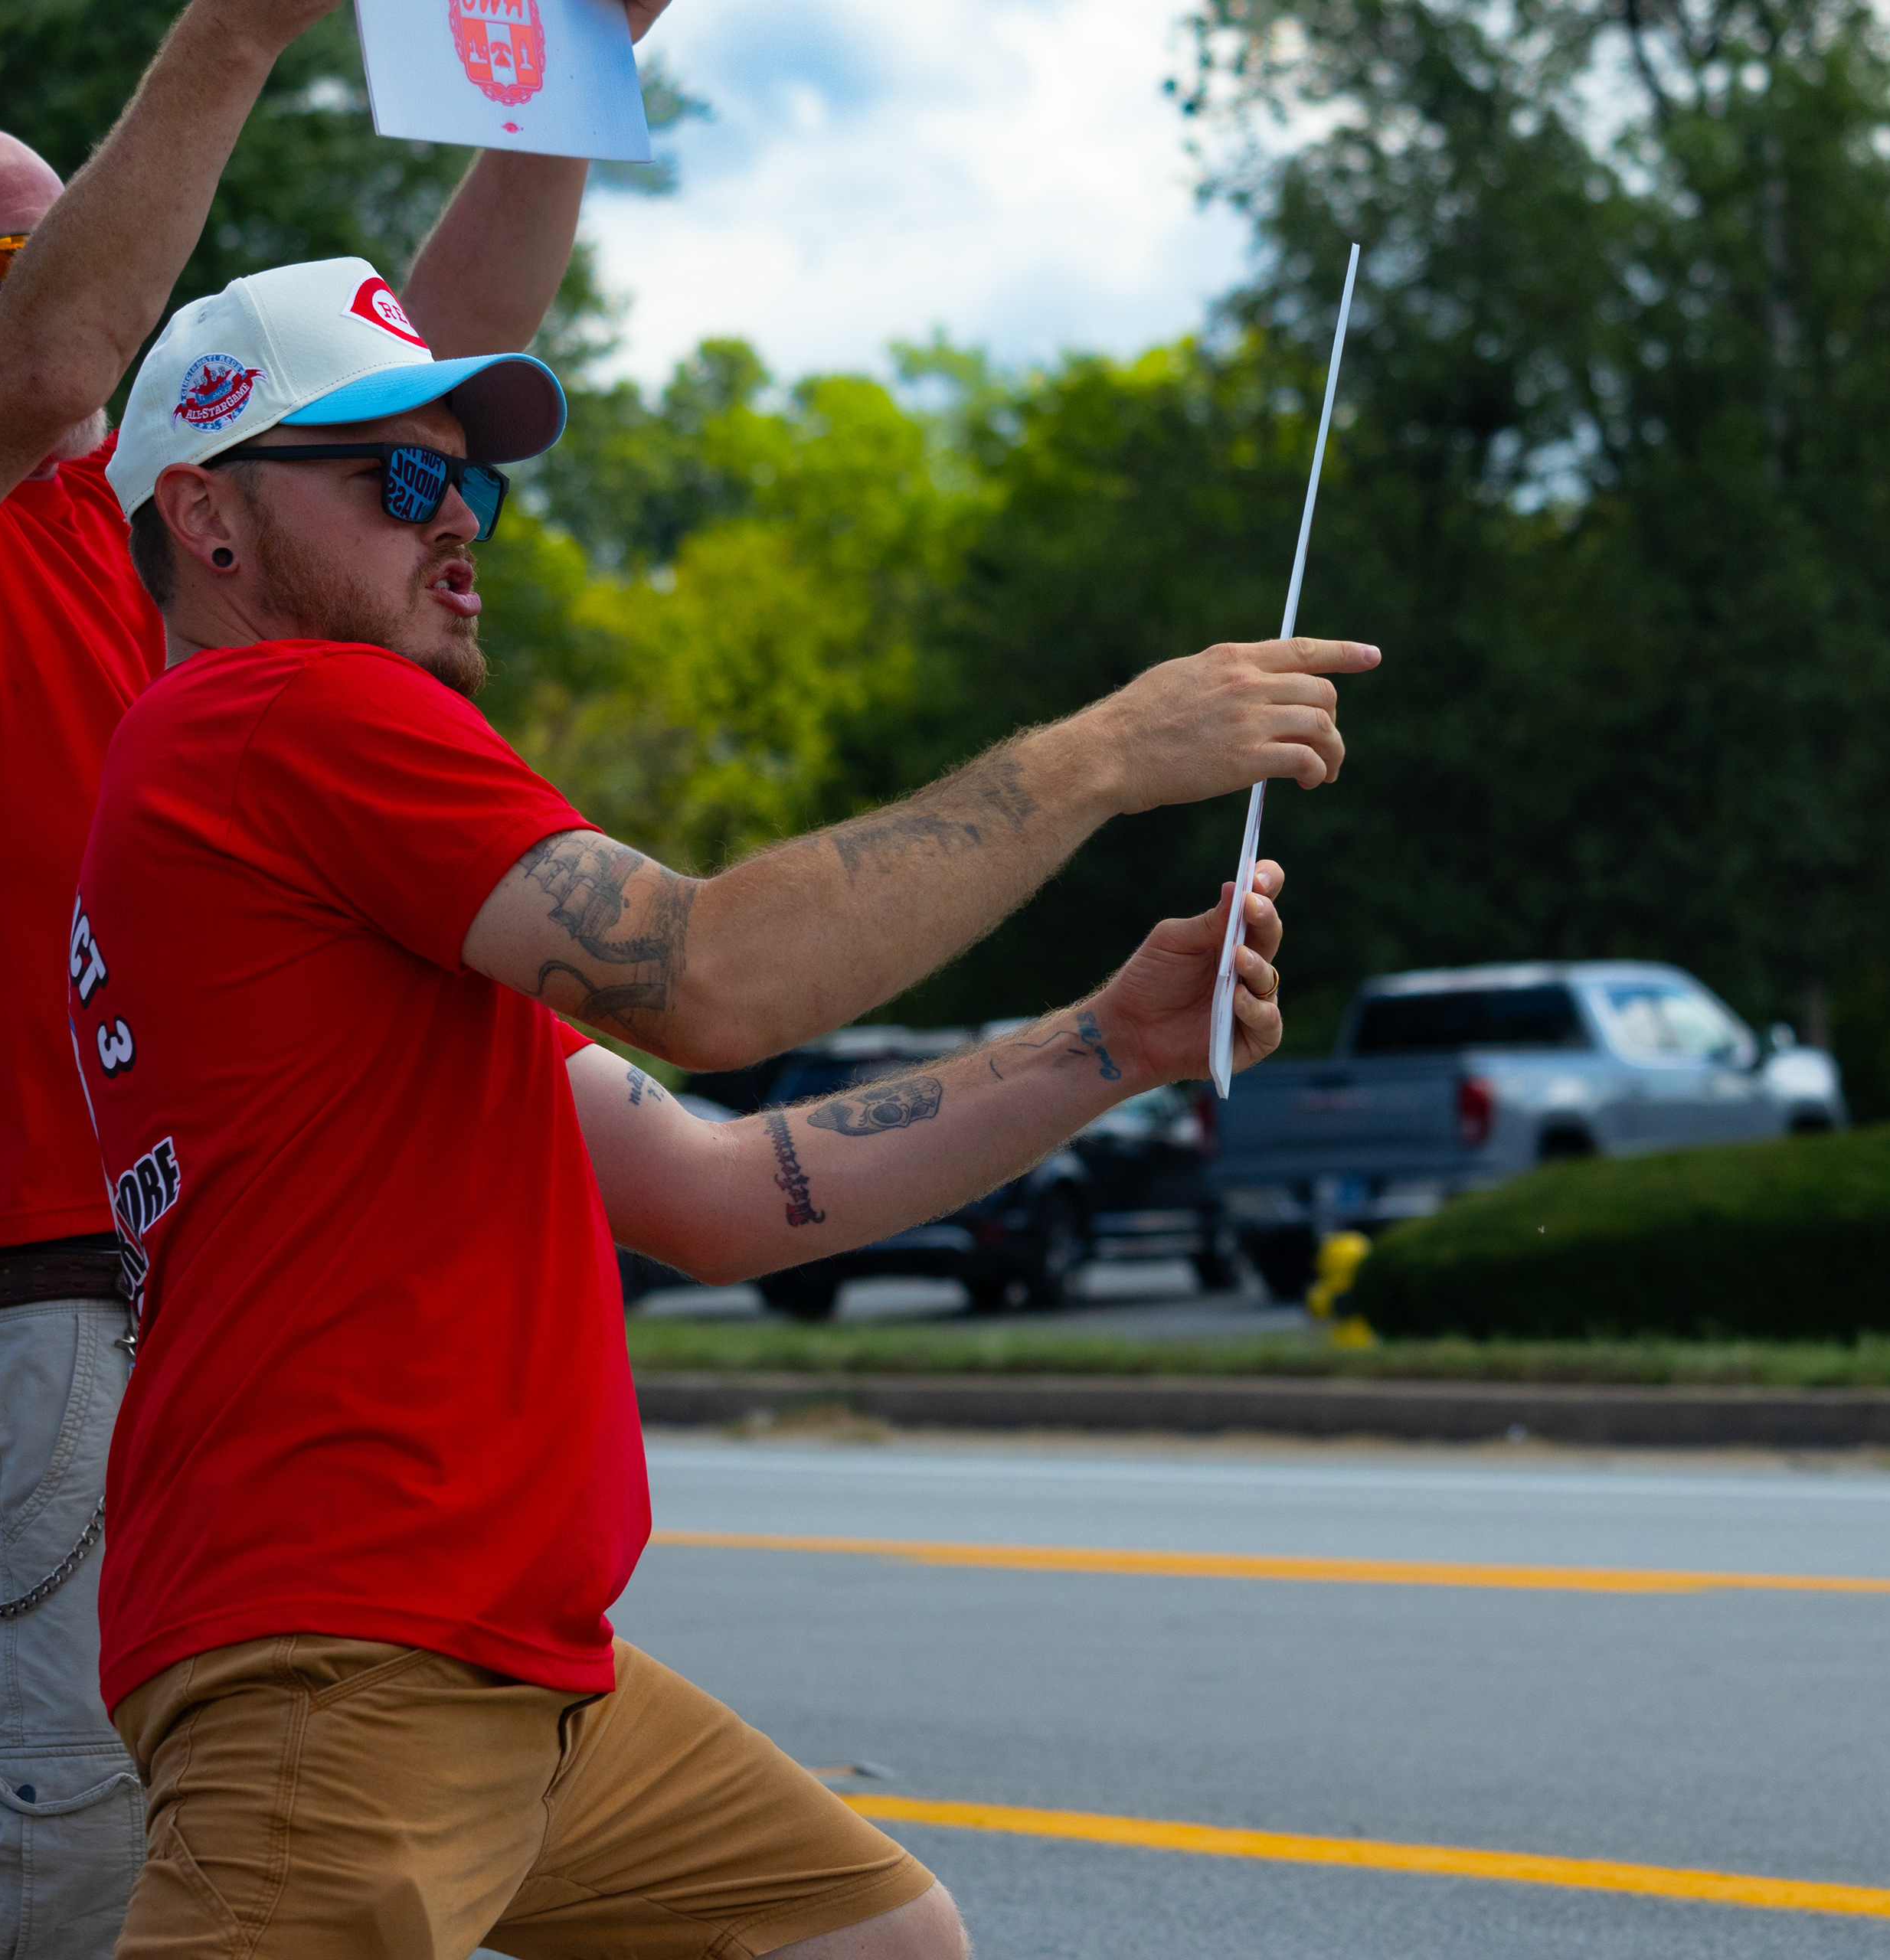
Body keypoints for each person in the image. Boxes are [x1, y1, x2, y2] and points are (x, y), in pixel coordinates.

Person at [67, 256, 1370, 1958]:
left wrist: (1105, 1043)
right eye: (399, 475)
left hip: (515, 1664)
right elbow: (708, 972)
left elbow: (716, 1184)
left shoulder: (322, 858)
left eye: (477, 482)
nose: (457, 519)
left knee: (875, 1939)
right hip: (346, 1659)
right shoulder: (291, 711)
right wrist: (1103, 753)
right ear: (209, 519)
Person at [0, 3, 662, 1952]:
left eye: (76, 217)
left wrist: (565, 62)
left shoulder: (185, 526)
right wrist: (240, 30)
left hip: (293, 1269)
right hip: (76, 1265)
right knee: (77, 1830)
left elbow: (419, 382)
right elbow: (68, 349)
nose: (78, 253)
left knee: (357, 1802)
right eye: (9, 247)